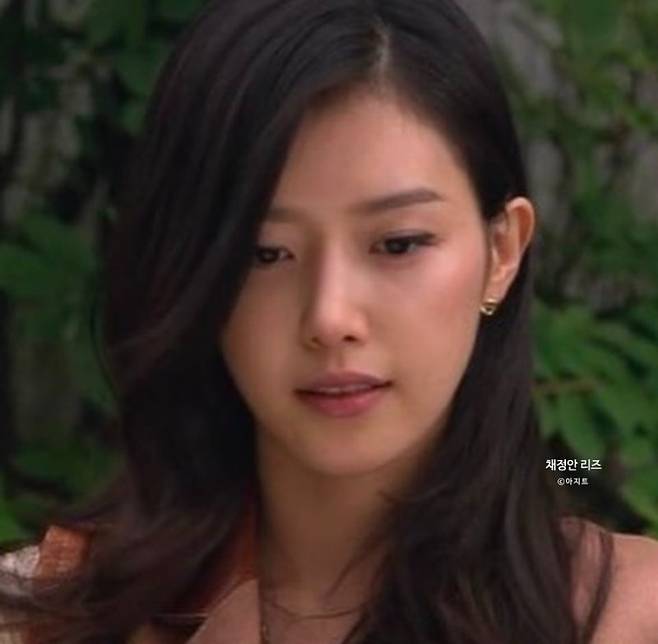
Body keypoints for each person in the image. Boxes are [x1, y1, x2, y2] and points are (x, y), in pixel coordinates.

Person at [1, 0, 658, 642]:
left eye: (398, 243)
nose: (330, 317)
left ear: (502, 251)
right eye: (264, 253)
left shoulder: (629, 614)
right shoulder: (48, 620)